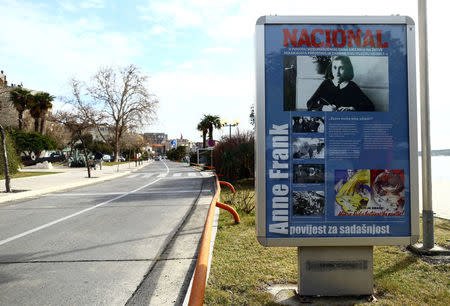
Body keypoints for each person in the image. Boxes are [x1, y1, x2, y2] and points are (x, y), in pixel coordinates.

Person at [307, 56, 375, 112]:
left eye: (341, 68)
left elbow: (370, 107)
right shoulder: (326, 83)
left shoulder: (352, 86)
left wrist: (352, 108)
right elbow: (310, 103)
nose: (337, 72)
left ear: (347, 69)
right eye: (335, 68)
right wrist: (324, 108)